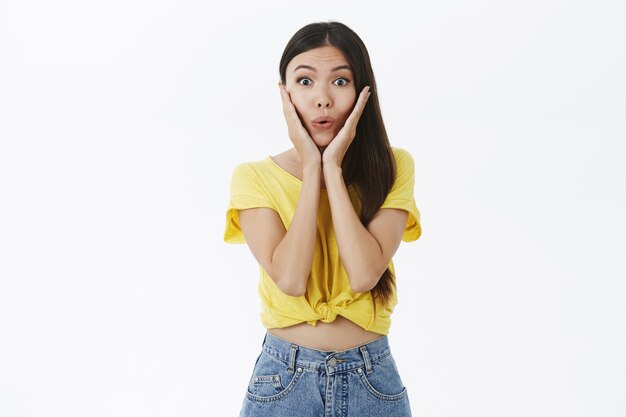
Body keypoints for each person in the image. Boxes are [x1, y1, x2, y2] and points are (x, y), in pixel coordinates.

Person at [224, 21, 422, 417]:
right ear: (285, 93)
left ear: (364, 92)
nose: (322, 99)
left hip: (371, 378)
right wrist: (312, 169)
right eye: (304, 81)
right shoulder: (253, 177)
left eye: (341, 81)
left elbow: (365, 273)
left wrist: (332, 167)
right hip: (283, 382)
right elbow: (292, 279)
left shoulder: (392, 166)